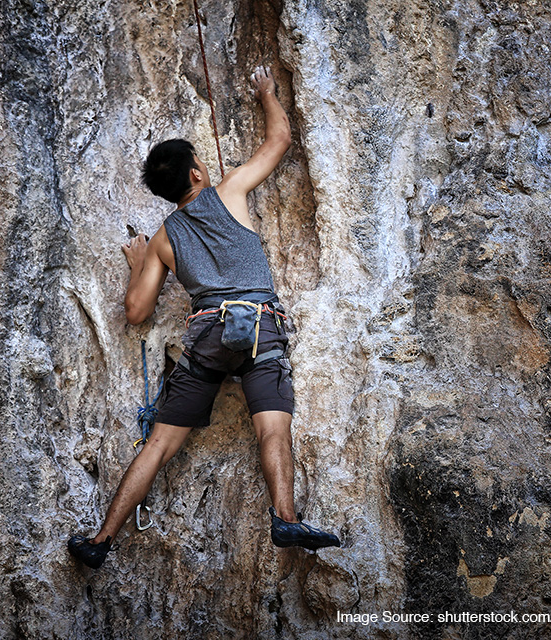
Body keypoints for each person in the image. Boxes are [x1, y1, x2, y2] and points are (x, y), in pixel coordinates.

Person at [67, 66, 340, 569]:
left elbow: (136, 312)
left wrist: (140, 264)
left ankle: (101, 539)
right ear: (196, 172)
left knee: (160, 444)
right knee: (273, 430)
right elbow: (279, 139)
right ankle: (285, 517)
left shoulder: (164, 238)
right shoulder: (231, 190)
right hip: (259, 325)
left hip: (209, 334)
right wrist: (265, 93)